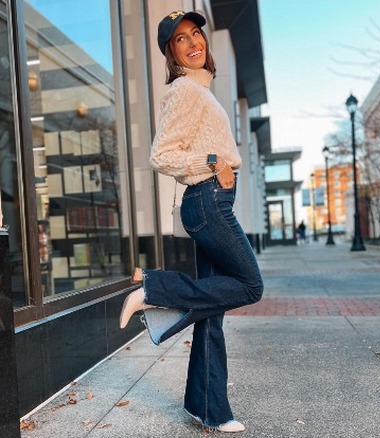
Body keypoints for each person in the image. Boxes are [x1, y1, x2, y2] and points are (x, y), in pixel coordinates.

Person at [118, 10, 263, 433]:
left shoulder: (202, 90)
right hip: (207, 202)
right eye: (181, 39)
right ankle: (152, 289)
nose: (193, 41)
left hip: (212, 202)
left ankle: (208, 408)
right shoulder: (184, 90)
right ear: (171, 52)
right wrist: (213, 160)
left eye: (196, 33)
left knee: (211, 309)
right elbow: (160, 155)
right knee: (251, 285)